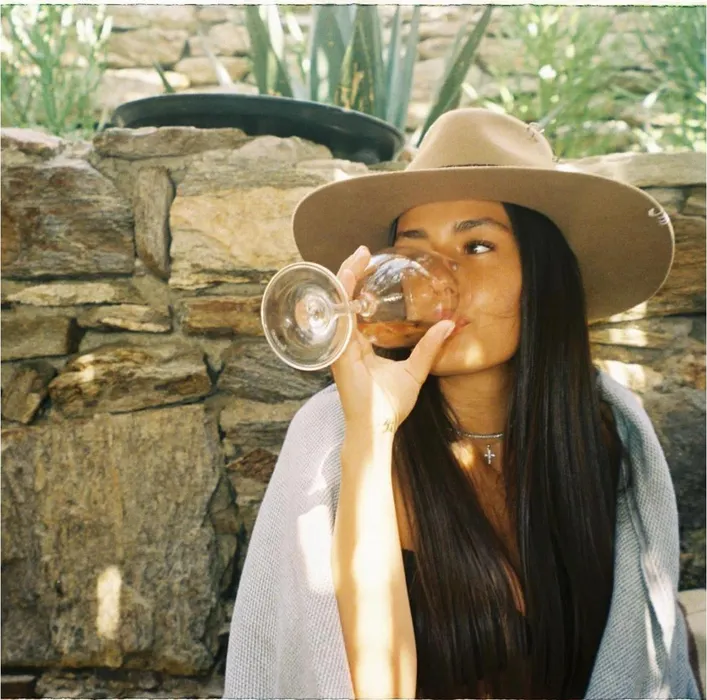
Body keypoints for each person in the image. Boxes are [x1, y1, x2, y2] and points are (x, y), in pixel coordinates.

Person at [223, 108, 702, 699]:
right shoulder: (334, 435)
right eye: (412, 251)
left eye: (476, 246)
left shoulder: (609, 428)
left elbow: (642, 665)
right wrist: (372, 433)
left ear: (543, 278)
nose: (436, 278)